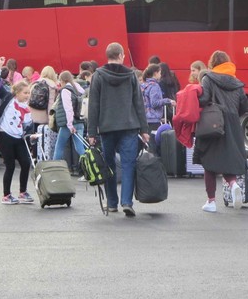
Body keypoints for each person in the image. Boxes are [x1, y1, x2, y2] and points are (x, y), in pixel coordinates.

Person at [87, 42, 149, 217]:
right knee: (128, 164)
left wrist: (91, 132)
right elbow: (139, 104)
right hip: (129, 126)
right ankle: (127, 202)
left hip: (107, 127)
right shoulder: (131, 76)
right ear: (122, 55)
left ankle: (112, 203)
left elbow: (93, 106)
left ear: (107, 56)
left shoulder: (98, 76)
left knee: (109, 165)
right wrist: (144, 129)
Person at [195, 50, 248, 213]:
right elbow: (243, 106)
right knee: (227, 159)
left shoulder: (208, 78)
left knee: (209, 160)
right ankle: (233, 185)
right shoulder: (237, 82)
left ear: (212, 64)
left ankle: (211, 201)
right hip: (232, 125)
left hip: (214, 122)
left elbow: (204, 100)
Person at [0, 80, 35, 205]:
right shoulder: (9, 99)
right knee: (10, 166)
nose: (27, 95)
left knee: (25, 163)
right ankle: (6, 195)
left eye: (29, 93)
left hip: (19, 137)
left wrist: (30, 135)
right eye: (25, 93)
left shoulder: (26, 108)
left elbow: (27, 125)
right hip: (5, 136)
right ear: (16, 93)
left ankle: (23, 192)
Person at [52, 71, 86, 164]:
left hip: (69, 124)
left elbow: (68, 109)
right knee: (80, 148)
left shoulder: (66, 90)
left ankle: (54, 169)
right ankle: (90, 168)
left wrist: (70, 125)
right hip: (80, 122)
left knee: (59, 147)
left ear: (62, 80)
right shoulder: (78, 89)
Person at [141, 64, 174, 134]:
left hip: (144, 119)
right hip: (153, 119)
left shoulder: (143, 85)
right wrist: (168, 100)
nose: (160, 75)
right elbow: (154, 103)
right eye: (159, 73)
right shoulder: (154, 86)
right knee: (154, 142)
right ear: (155, 73)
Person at [29, 65, 60, 129]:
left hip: (31, 116)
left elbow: (28, 100)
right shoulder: (52, 86)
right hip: (43, 118)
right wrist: (50, 120)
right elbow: (50, 104)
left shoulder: (35, 83)